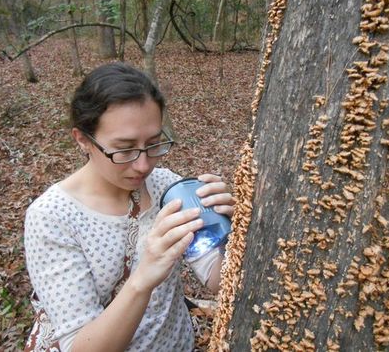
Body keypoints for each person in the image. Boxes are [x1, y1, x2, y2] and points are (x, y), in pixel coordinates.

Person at [23, 62, 234, 351]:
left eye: (153, 144)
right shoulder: (52, 218)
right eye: (124, 149)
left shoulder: (166, 187)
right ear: (83, 139)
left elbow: (217, 280)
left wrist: (236, 231)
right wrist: (143, 279)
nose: (143, 165)